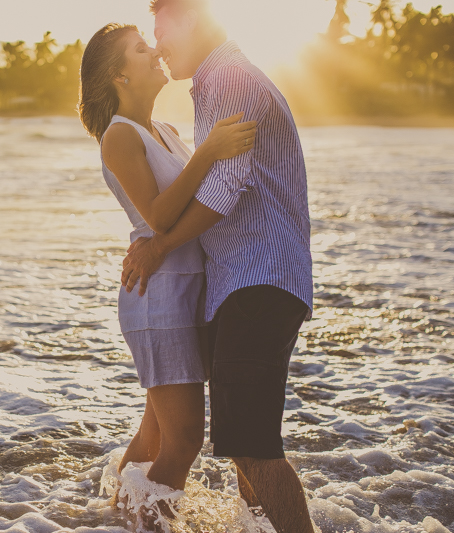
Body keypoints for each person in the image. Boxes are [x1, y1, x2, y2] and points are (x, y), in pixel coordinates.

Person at [120, 1, 316, 532]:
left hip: (260, 278)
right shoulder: (214, 82)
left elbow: (225, 186)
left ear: (194, 18)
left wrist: (160, 246)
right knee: (242, 445)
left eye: (161, 30)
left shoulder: (227, 77)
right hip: (243, 282)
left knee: (252, 444)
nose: (159, 44)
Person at [78, 22, 257, 513]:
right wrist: (211, 151)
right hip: (157, 297)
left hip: (186, 292)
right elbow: (158, 216)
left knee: (155, 440)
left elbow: (202, 198)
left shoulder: (168, 132)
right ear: (119, 75)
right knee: (184, 444)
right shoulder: (119, 137)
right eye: (140, 49)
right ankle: (142, 524)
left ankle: (114, 517)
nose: (155, 49)